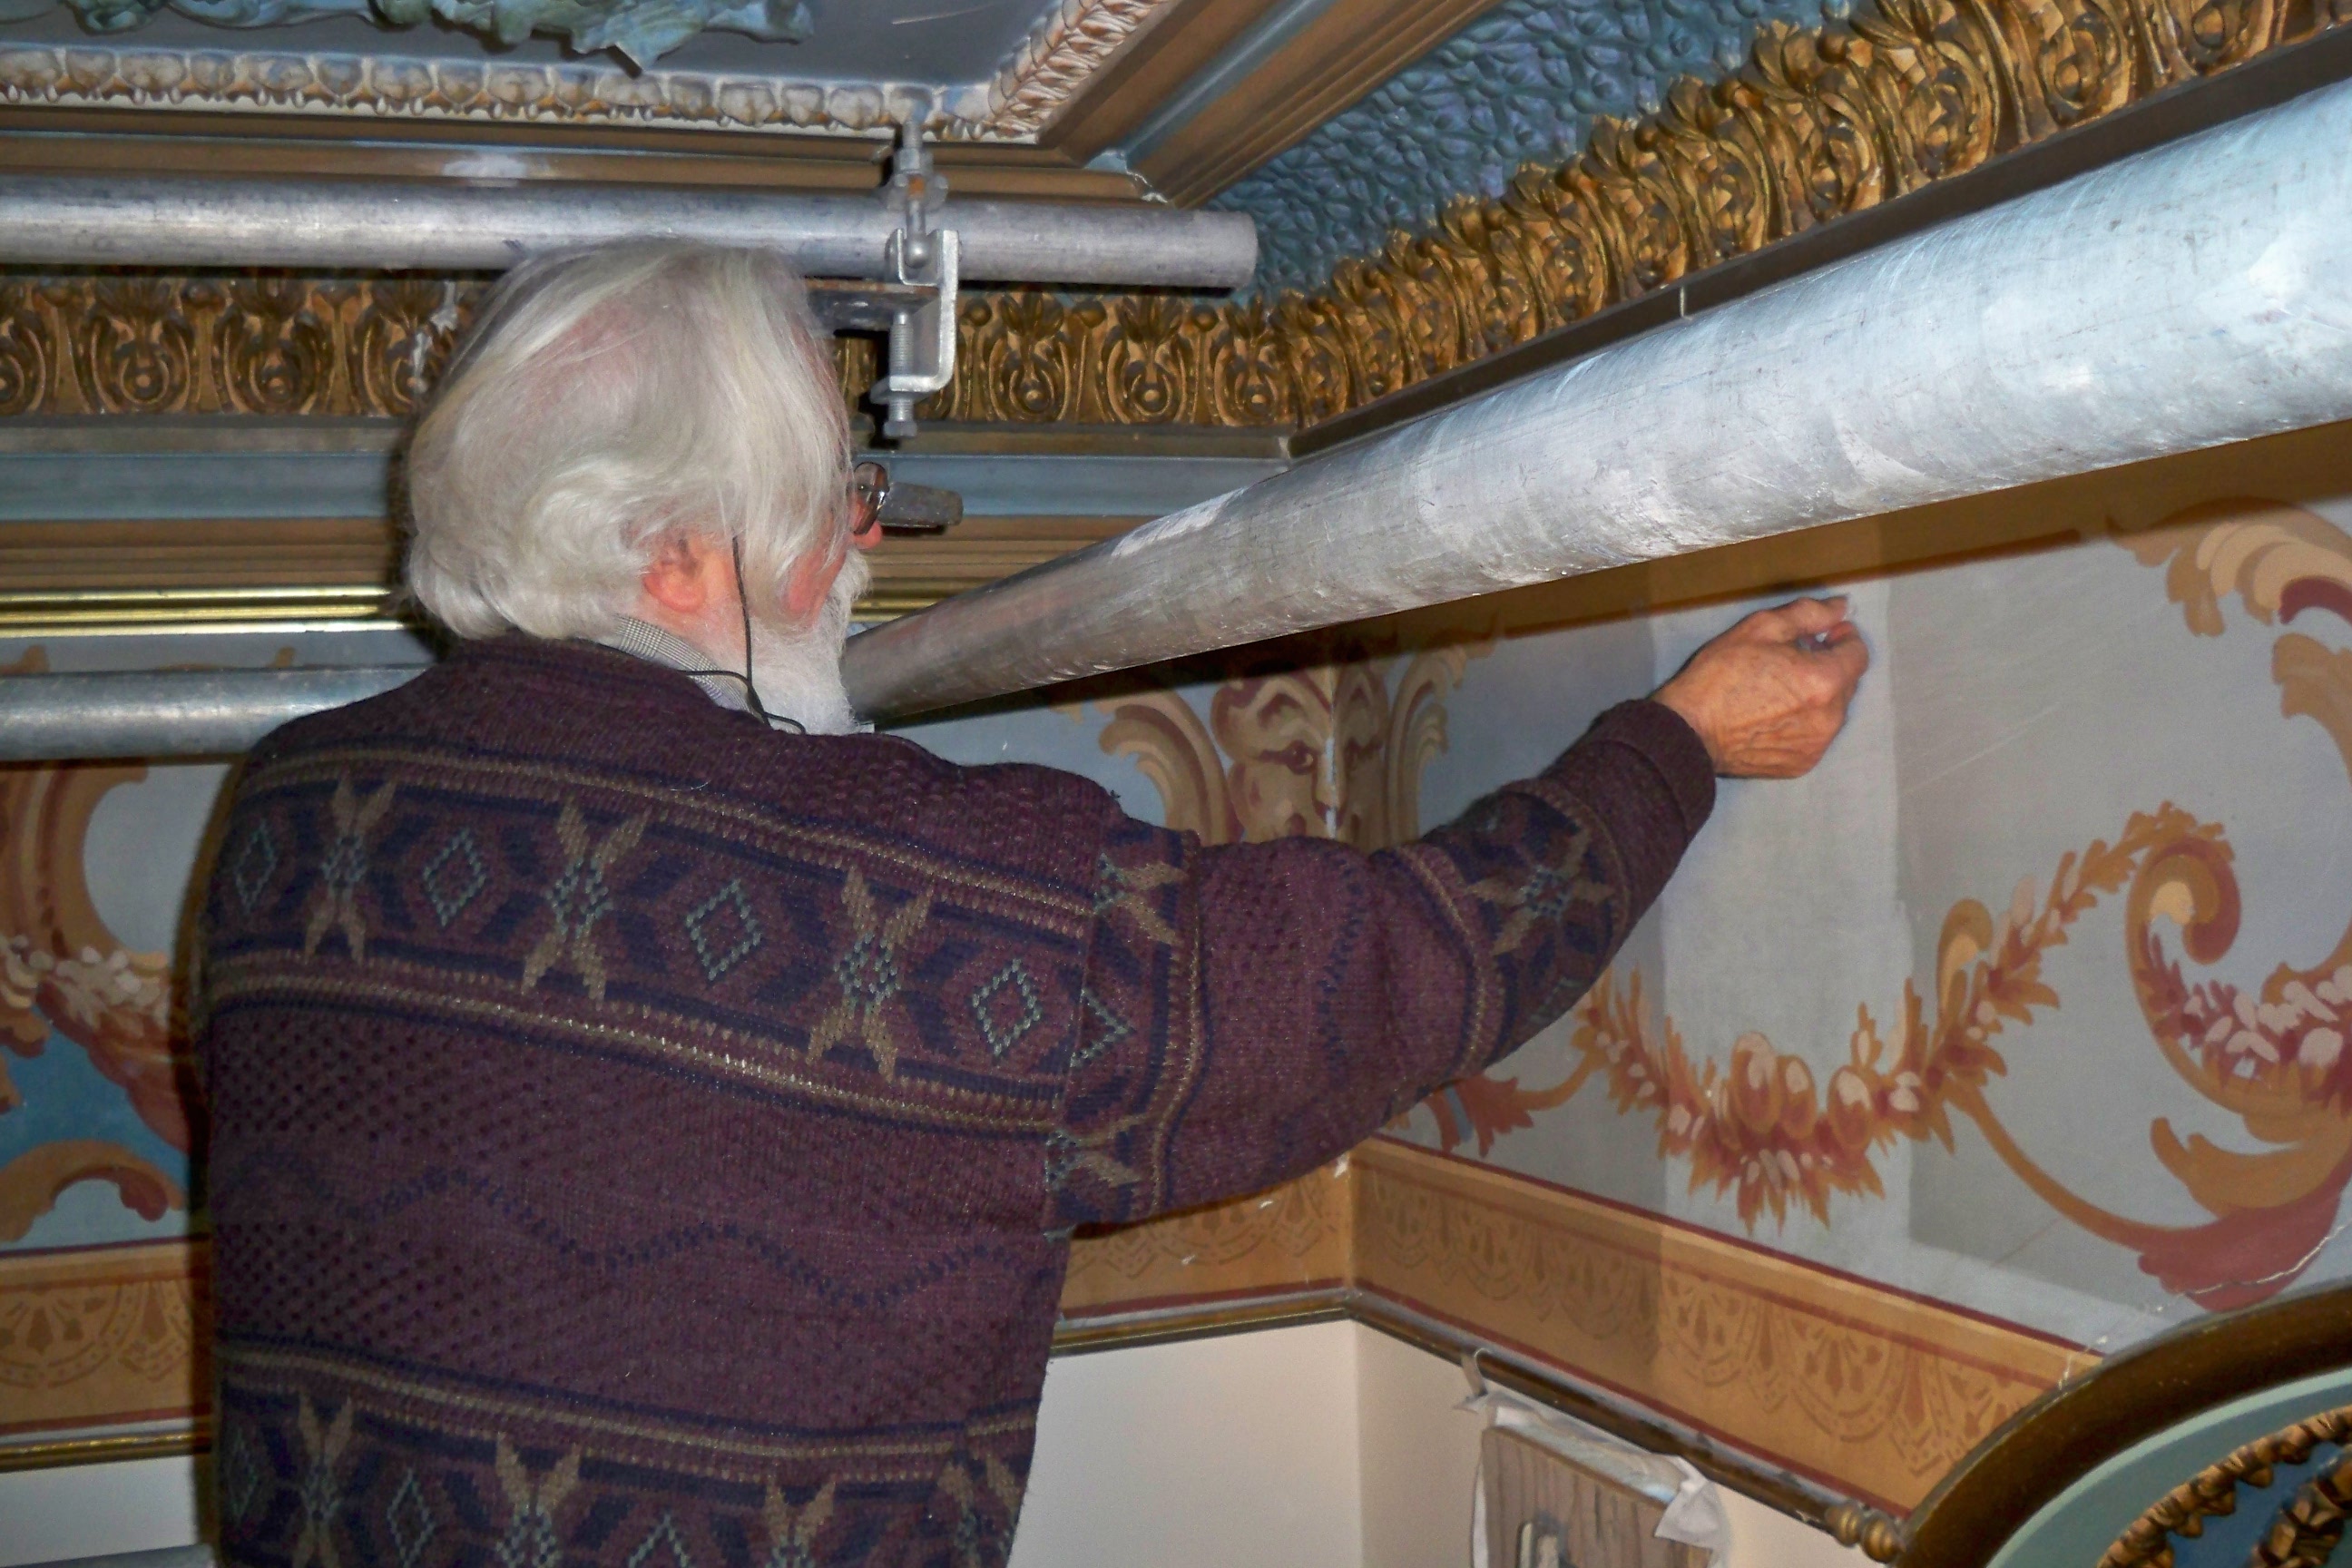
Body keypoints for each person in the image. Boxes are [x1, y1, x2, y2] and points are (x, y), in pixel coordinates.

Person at [196, 243, 1867, 1568]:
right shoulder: (905, 905)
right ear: (673, 559)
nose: (861, 551)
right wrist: (1677, 745)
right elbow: (1389, 973)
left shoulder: (283, 817)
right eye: (830, 499)